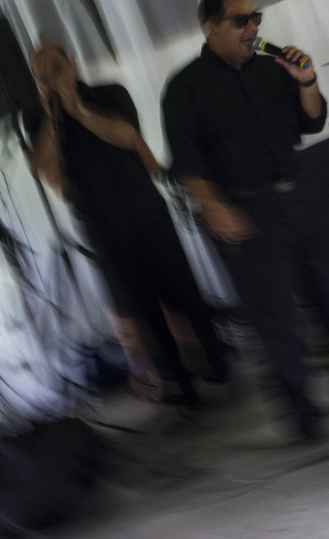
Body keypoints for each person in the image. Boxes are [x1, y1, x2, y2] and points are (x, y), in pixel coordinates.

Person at [161, 0, 329, 439]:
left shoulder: (271, 69)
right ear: (211, 26)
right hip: (244, 207)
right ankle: (303, 415)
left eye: (255, 17)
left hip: (299, 194)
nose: (252, 27)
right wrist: (214, 206)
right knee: (277, 317)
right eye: (240, 20)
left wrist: (307, 81)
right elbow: (186, 164)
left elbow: (312, 121)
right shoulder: (185, 89)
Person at [25, 45, 227, 406]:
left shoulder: (108, 93)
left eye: (54, 68)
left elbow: (128, 136)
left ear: (72, 63)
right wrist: (55, 116)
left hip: (147, 213)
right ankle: (181, 386)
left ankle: (219, 366)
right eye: (41, 74)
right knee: (144, 308)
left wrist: (78, 110)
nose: (50, 79)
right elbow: (47, 172)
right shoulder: (38, 120)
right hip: (103, 229)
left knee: (184, 293)